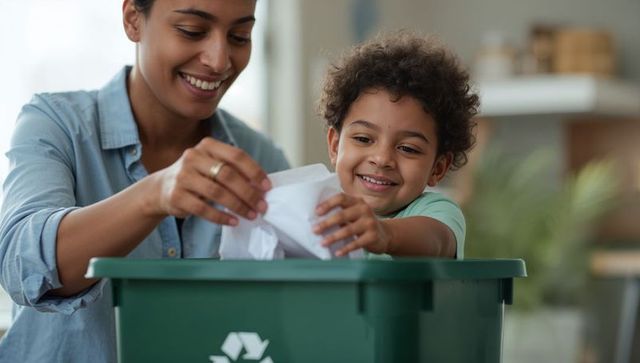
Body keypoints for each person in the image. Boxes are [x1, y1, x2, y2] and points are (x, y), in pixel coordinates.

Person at [0, 0, 289, 361]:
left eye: (239, 36)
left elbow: (286, 316)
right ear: (133, 20)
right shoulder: (56, 125)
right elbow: (24, 267)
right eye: (192, 31)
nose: (219, 60)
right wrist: (154, 194)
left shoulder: (261, 159)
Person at [313, 31, 479, 259]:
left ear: (438, 168)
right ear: (334, 145)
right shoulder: (316, 205)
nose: (381, 159)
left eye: (408, 148)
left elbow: (437, 241)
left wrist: (385, 234)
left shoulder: (436, 211)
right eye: (363, 139)